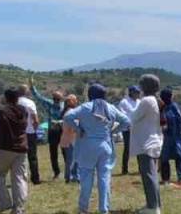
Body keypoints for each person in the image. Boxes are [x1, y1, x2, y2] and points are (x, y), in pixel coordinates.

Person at [63, 83, 131, 214]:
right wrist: (114, 131)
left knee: (86, 179)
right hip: (105, 145)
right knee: (104, 178)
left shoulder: (85, 107)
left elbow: (67, 116)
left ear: (90, 94)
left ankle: (83, 209)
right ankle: (104, 209)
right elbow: (126, 121)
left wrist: (78, 129)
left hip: (87, 146)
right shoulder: (111, 108)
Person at [0, 88, 29, 214]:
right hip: (22, 147)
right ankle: (19, 209)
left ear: (6, 98)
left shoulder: (3, 111)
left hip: (6, 147)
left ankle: (4, 203)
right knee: (19, 178)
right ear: (17, 98)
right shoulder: (23, 110)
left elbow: (0, 131)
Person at [130, 74, 164, 214]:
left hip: (146, 143)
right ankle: (155, 204)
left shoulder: (146, 101)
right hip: (152, 141)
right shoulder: (154, 100)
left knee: (148, 176)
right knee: (152, 175)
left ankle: (152, 207)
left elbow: (133, 117)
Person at [32, 89, 66, 181]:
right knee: (53, 153)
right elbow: (38, 97)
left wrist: (59, 122)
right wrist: (33, 88)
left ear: (61, 99)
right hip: (53, 131)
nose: (56, 101)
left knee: (65, 152)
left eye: (58, 99)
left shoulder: (64, 106)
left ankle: (68, 172)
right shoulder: (49, 103)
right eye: (55, 99)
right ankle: (57, 172)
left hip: (63, 131)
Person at [158, 88, 181, 183]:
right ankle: (165, 178)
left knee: (179, 155)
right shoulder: (160, 107)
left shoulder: (174, 106)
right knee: (164, 157)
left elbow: (180, 118)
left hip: (175, 135)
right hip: (165, 136)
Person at [18, 86, 42, 185]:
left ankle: (19, 178)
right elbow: (35, 120)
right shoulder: (30, 103)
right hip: (30, 132)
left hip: (18, 133)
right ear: (26, 92)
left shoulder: (15, 102)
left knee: (19, 157)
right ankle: (35, 178)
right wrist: (35, 129)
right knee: (32, 157)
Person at [117, 86, 140, 175]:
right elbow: (122, 115)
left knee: (139, 148)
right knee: (127, 148)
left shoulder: (139, 102)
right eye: (136, 92)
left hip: (138, 128)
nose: (138, 94)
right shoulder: (124, 102)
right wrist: (128, 124)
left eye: (138, 92)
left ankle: (141, 168)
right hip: (128, 129)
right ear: (131, 92)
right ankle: (124, 170)